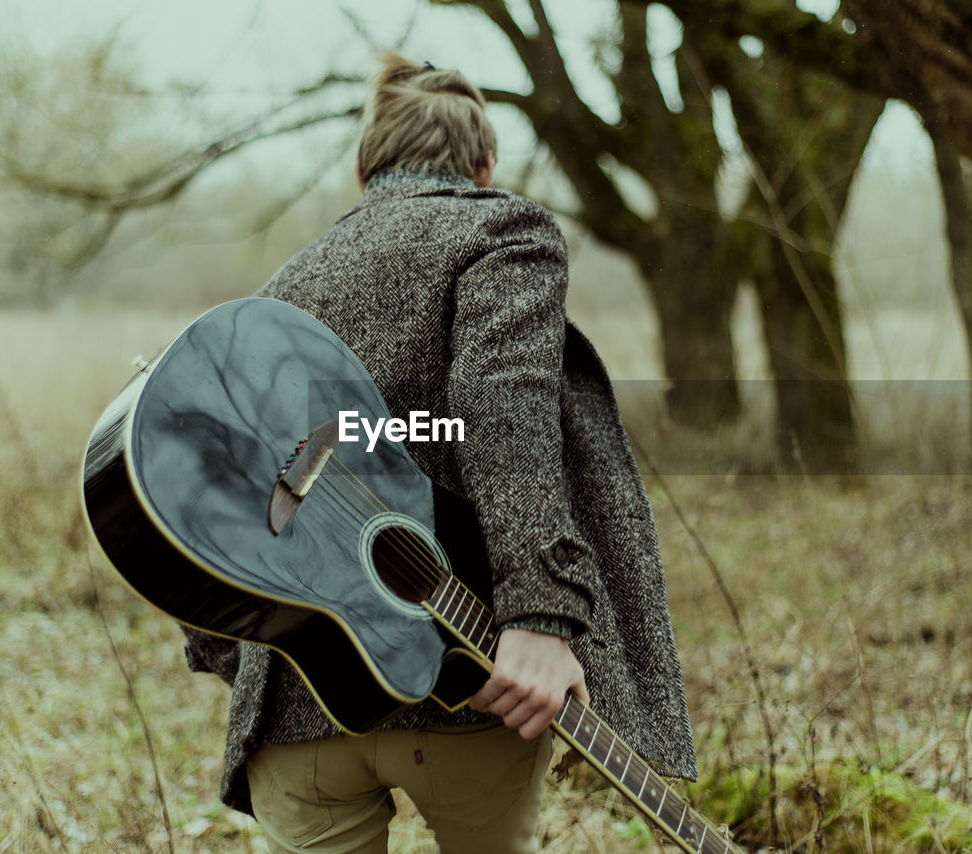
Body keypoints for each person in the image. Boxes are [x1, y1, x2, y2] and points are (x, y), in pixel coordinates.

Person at [181, 52, 696, 853]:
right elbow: (501, 403)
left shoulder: (278, 290)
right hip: (470, 686)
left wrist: (234, 654)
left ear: (364, 174)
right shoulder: (500, 228)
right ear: (483, 168)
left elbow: (216, 495)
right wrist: (537, 615)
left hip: (294, 702)